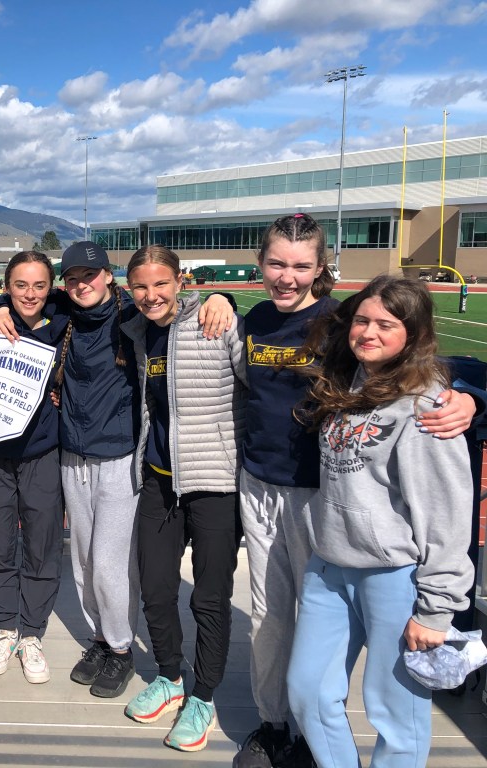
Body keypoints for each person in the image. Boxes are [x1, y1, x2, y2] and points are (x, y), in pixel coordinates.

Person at [200, 213, 478, 768]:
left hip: (328, 503)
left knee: (373, 676)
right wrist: (220, 295)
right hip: (268, 489)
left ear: (321, 267)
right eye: (276, 263)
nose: (287, 276)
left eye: (301, 266)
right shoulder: (256, 320)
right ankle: (277, 725)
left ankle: (309, 737)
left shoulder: (343, 324)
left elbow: (430, 366)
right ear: (260, 264)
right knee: (272, 620)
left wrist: (472, 398)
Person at [0, 241, 234, 699]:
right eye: (73, 278)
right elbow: (23, 298)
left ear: (108, 276)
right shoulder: (63, 313)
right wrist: (1, 304)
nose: (82, 284)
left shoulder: (132, 316)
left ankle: (121, 648)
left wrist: (223, 298)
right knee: (83, 561)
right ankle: (101, 639)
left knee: (110, 563)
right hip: (72, 456)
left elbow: (177, 310)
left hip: (120, 456)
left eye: (91, 275)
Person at [286, 275, 474, 768]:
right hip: (329, 565)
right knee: (307, 691)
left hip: (394, 575)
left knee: (395, 713)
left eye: (386, 325)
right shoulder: (346, 381)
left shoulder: (426, 407)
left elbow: (447, 513)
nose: (368, 332)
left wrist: (436, 610)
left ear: (413, 334)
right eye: (362, 320)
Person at [121, 245, 246, 752]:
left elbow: (258, 384)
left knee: (209, 598)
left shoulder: (217, 322)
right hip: (158, 478)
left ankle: (204, 696)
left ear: (180, 281)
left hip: (215, 482)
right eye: (140, 286)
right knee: (154, 587)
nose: (151, 295)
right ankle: (170, 677)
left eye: (160, 284)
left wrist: (225, 297)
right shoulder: (137, 331)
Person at [0, 251, 66, 683]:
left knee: (42, 543)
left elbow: (105, 300)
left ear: (51, 288)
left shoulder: (63, 323)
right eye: (20, 285)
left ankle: (31, 632)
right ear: (6, 287)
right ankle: (5, 626)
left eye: (39, 285)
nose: (30, 294)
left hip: (42, 452)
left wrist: (219, 297)